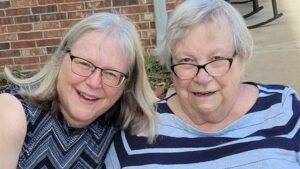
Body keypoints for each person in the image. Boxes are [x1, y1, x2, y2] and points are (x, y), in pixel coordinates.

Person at [104, 0, 300, 168]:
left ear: (242, 58)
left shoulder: (283, 110)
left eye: (216, 59)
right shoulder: (139, 131)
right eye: (186, 61)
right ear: (170, 64)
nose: (202, 78)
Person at [0, 12, 157, 169]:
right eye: (84, 64)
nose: (94, 83)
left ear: (127, 85)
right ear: (60, 58)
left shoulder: (118, 122)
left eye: (111, 73)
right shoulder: (13, 114)